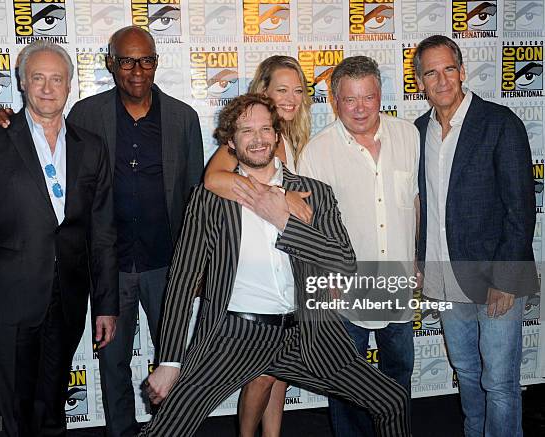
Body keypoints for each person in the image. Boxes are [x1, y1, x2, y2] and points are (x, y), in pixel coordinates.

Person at [141, 93, 411, 437]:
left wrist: (286, 222)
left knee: (392, 400)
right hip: (233, 336)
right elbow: (181, 281)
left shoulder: (315, 193)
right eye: (246, 131)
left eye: (266, 129)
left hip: (305, 335)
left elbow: (345, 265)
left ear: (278, 135)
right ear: (231, 143)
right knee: (166, 430)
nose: (258, 139)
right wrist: (169, 362)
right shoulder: (208, 199)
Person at [0, 26, 204, 437]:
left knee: (174, 361)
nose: (137, 70)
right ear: (110, 63)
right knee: (113, 363)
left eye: (146, 60)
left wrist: (196, 268)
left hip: (167, 266)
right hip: (108, 267)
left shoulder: (184, 119)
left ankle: (174, 430)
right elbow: (36, 130)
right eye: (126, 61)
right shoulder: (86, 113)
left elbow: (196, 198)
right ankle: (120, 432)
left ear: (157, 61)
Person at [0, 41, 118, 436]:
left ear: (69, 86)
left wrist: (106, 304)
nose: (47, 88)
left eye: (56, 79)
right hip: (7, 300)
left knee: (52, 405)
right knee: (11, 412)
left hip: (67, 300)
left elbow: (103, 233)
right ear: (22, 83)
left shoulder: (91, 147)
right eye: (38, 78)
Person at [413, 35, 538, 437]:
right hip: (445, 277)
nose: (442, 79)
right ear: (419, 82)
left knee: (499, 383)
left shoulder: (500, 123)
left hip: (495, 279)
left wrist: (507, 278)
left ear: (463, 71)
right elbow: (421, 205)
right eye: (431, 72)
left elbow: (520, 208)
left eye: (449, 68)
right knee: (466, 371)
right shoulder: (417, 131)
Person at [299, 55, 419, 437]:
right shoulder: (316, 152)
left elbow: (413, 202)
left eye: (368, 97)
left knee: (398, 372)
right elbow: (308, 225)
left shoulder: (408, 135)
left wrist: (416, 258)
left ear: (380, 94)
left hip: (397, 282)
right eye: (350, 99)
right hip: (344, 287)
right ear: (335, 100)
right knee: (346, 380)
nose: (361, 108)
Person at [203, 55, 312, 437]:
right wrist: (275, 193)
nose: (292, 97)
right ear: (263, 90)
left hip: (288, 270)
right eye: (281, 89)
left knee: (279, 372)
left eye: (298, 90)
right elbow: (214, 179)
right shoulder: (250, 137)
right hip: (256, 281)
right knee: (263, 374)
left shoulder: (291, 136)